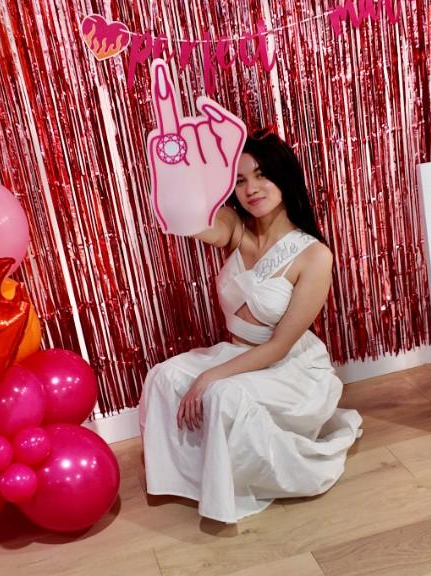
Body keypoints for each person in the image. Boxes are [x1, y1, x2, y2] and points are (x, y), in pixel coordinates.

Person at [139, 126, 362, 524]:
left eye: (262, 175)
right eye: (240, 179)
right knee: (163, 376)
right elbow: (191, 221)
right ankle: (192, 480)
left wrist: (209, 377)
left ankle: (236, 488)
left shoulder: (313, 255)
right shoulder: (235, 227)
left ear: (284, 178)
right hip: (239, 352)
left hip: (288, 365)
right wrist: (177, 169)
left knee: (222, 393)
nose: (251, 188)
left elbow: (277, 347)